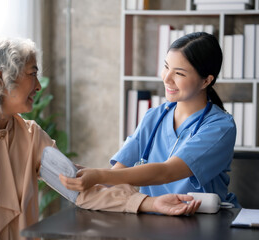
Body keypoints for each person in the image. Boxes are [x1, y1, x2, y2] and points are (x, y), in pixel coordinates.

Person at [0, 37, 201, 240]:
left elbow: (80, 189)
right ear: (0, 77)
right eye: (32, 74)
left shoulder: (30, 135)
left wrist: (152, 203)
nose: (37, 85)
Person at [60, 32, 239, 207]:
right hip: (154, 217)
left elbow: (167, 172)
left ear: (206, 81)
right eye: (166, 66)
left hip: (204, 224)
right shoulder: (154, 117)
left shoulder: (221, 127)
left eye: (179, 73)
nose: (166, 78)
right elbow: (116, 175)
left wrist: (100, 175)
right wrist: (80, 174)